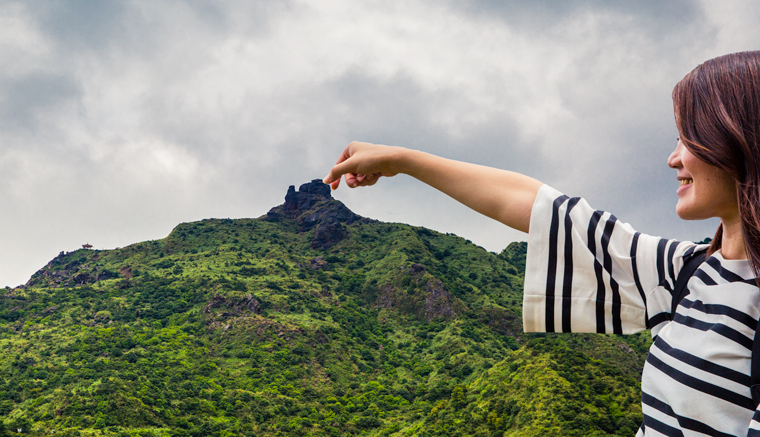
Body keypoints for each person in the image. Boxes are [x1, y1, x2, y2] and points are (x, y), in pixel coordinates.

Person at [323, 50, 760, 436]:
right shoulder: (686, 271)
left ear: (740, 139)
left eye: (689, 137)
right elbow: (543, 209)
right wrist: (402, 160)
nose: (673, 158)